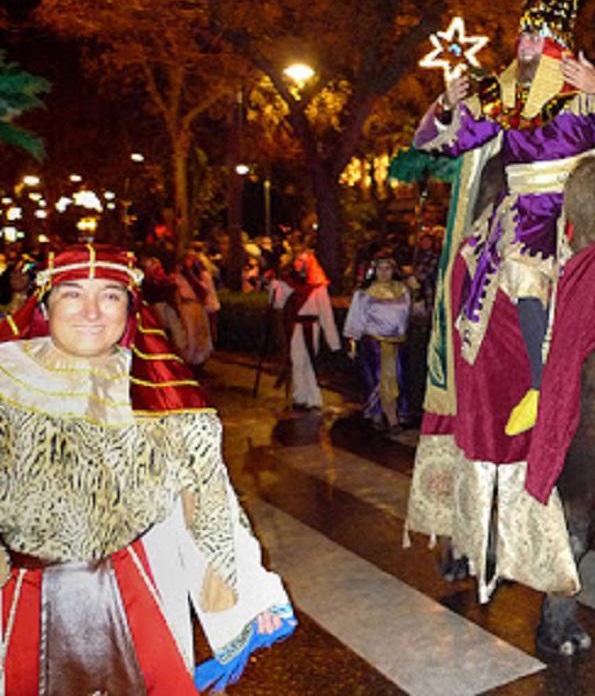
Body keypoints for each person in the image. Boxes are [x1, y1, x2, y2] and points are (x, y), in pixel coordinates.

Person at [405, 0, 595, 600]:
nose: (522, 41)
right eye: (520, 31)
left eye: (535, 31)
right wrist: (449, 104)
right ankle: (511, 421)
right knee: (477, 271)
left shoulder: (581, 86)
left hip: (570, 215)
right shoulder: (501, 93)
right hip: (515, 215)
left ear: (558, 36)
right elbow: (437, 139)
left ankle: (586, 392)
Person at [0, 245, 294, 691]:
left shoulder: (161, 395)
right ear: (44, 304)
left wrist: (249, 594)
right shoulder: (6, 381)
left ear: (131, 309)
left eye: (112, 296)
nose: (92, 312)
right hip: (17, 592)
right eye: (73, 294)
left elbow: (209, 505)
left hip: (139, 589)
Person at [269, 242, 341, 410]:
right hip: (294, 327)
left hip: (311, 327)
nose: (298, 264)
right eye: (297, 260)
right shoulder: (288, 283)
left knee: (309, 360)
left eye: (302, 261)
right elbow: (278, 304)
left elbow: (325, 313)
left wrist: (333, 340)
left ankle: (312, 397)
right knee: (296, 360)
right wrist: (275, 288)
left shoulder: (318, 286)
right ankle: (299, 396)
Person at [343, 254, 411, 431]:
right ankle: (382, 415)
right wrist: (352, 342)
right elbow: (355, 319)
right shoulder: (365, 293)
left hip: (397, 344)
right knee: (378, 379)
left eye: (387, 268)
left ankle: (395, 413)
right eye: (380, 268)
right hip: (374, 343)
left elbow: (406, 316)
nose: (384, 272)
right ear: (374, 271)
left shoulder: (402, 290)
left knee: (397, 379)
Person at [173, 250, 218, 367]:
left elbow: (205, 290)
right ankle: (190, 359)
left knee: (201, 333)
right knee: (191, 333)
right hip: (187, 306)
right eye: (189, 259)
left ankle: (201, 358)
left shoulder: (199, 275)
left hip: (198, 305)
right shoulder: (180, 276)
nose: (191, 261)